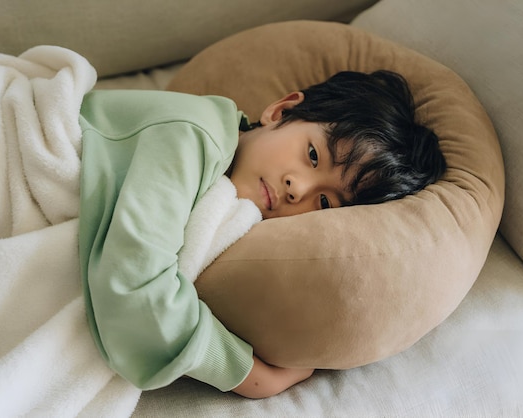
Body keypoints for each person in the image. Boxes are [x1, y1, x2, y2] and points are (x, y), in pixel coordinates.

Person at [78, 70, 446, 399]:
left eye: (324, 202)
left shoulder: (237, 213)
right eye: (314, 156)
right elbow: (131, 288)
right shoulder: (193, 133)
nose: (296, 187)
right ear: (281, 111)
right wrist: (252, 376)